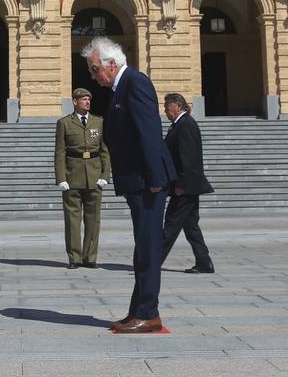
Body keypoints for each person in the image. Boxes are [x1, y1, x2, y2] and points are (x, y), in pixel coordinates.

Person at [83, 37, 175, 335]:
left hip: (147, 181)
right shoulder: (120, 87)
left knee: (148, 248)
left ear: (112, 64)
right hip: (138, 180)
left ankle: (148, 314)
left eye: (95, 68)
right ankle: (139, 310)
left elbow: (149, 132)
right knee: (143, 248)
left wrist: (155, 180)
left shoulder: (135, 82)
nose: (93, 75)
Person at [54, 87, 111, 269]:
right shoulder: (65, 123)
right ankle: (75, 257)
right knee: (72, 220)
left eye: (89, 99)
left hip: (94, 175)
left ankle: (90, 257)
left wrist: (105, 175)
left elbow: (105, 151)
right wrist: (61, 177)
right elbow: (60, 152)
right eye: (83, 99)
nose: (87, 102)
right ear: (74, 102)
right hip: (72, 175)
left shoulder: (98, 122)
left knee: (93, 219)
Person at [160, 93, 215, 273]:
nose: (165, 110)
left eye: (168, 107)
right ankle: (204, 262)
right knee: (191, 226)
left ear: (179, 106)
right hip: (187, 186)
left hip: (185, 187)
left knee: (170, 225)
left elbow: (189, 159)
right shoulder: (179, 125)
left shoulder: (185, 125)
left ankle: (152, 263)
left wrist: (181, 186)